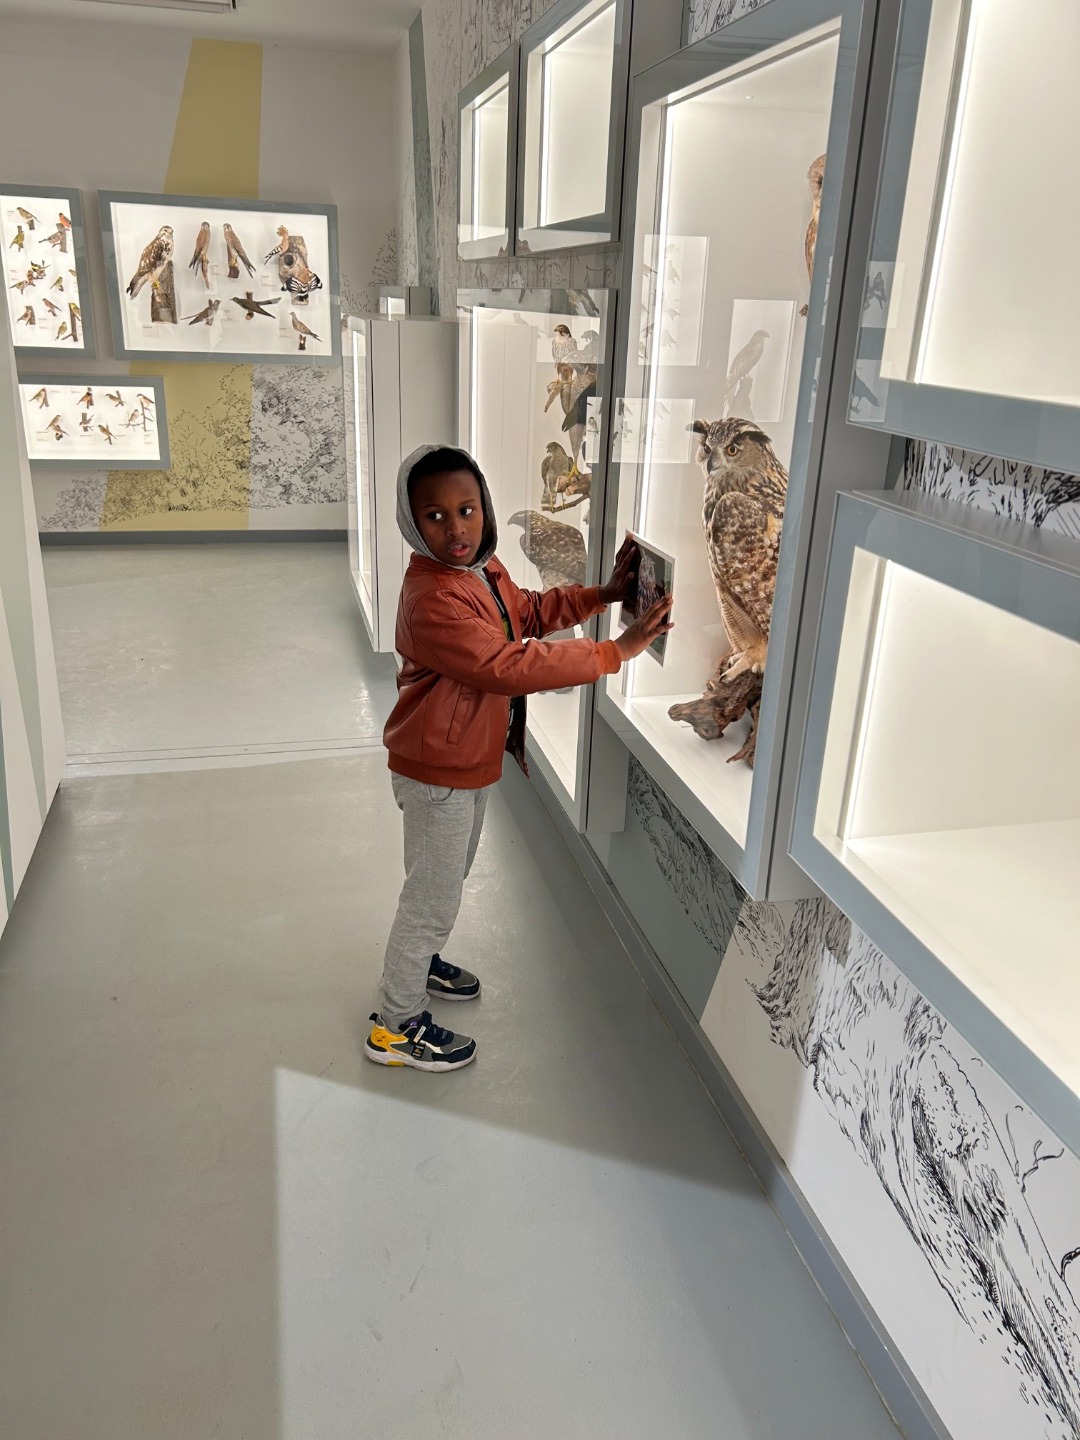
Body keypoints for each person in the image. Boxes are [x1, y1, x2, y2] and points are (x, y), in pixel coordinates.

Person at [365, 443, 673, 1073]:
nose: (456, 528)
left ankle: (418, 965)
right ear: (410, 523)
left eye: (467, 509)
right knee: (431, 898)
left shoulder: (480, 568)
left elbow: (525, 613)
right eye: (435, 516)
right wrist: (615, 652)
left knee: (443, 881)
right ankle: (394, 1025)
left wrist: (601, 594)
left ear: (484, 507)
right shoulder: (433, 599)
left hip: (463, 761)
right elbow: (507, 665)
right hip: (438, 771)